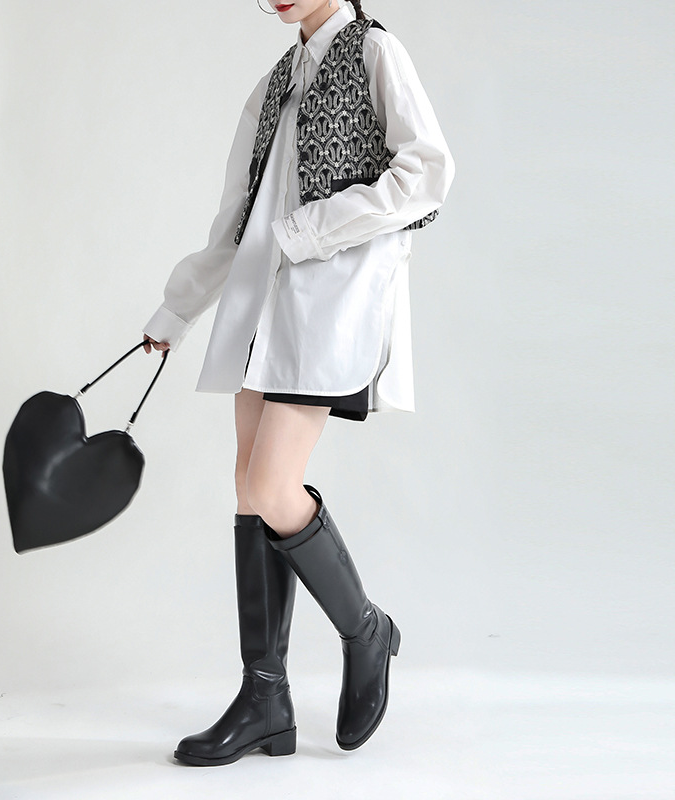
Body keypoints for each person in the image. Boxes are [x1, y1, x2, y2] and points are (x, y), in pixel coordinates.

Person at [141, 0, 454, 766]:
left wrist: (310, 231)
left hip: (329, 302)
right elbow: (239, 218)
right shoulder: (277, 79)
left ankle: (366, 629)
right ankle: (265, 698)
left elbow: (427, 173)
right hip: (262, 301)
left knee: (271, 484)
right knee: (248, 488)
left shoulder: (375, 52)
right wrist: (177, 310)